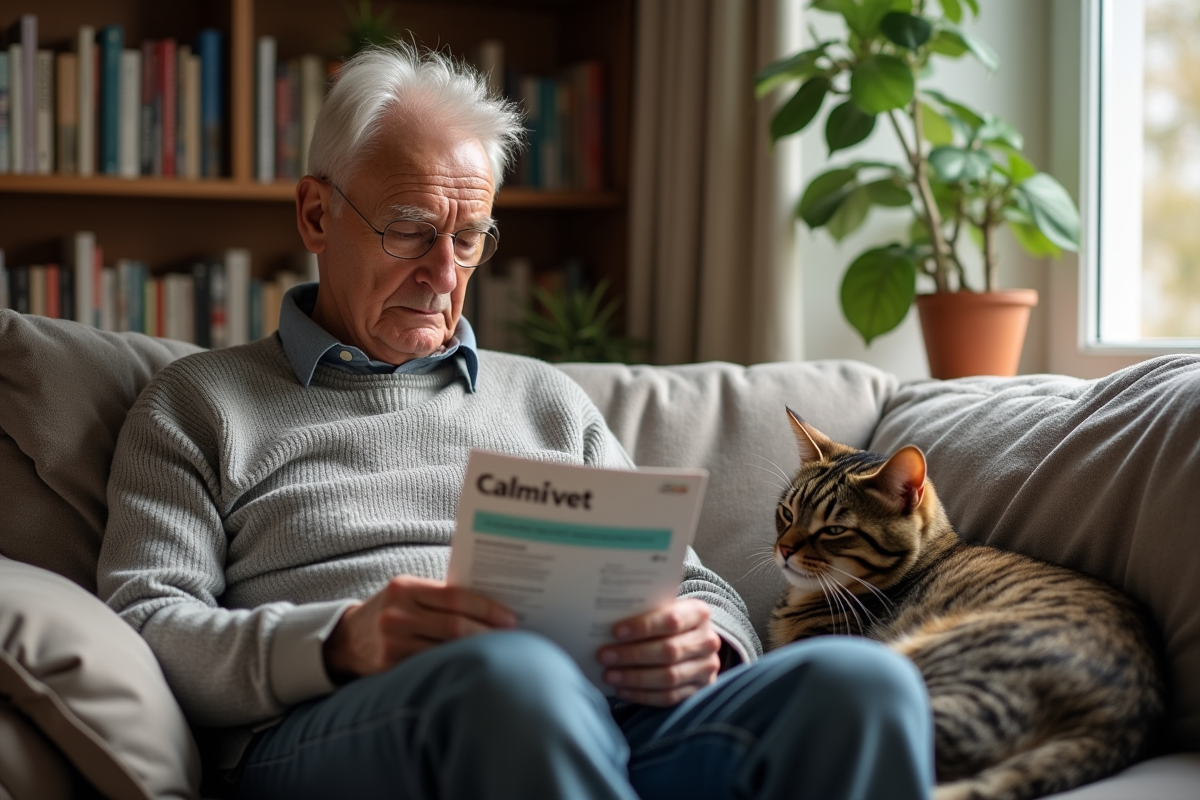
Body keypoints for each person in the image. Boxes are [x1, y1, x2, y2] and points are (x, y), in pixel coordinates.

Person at [98, 43, 933, 800]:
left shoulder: (546, 400)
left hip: (595, 715)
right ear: (316, 214)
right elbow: (144, 626)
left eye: (469, 238)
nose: (442, 272)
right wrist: (340, 640)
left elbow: (694, 580)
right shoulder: (196, 403)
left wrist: (705, 639)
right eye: (411, 230)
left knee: (863, 684)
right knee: (511, 679)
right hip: (337, 728)